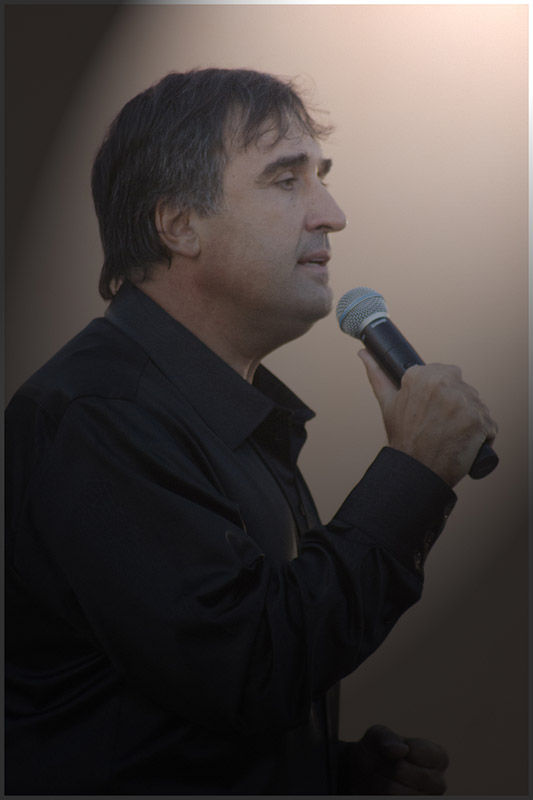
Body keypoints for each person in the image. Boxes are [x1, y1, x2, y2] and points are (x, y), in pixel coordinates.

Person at [5, 68, 496, 795]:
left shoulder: (218, 413)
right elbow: (249, 669)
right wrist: (412, 475)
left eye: (321, 178)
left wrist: (328, 775)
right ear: (179, 225)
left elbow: (176, 711)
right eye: (286, 180)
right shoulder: (97, 414)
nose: (332, 214)